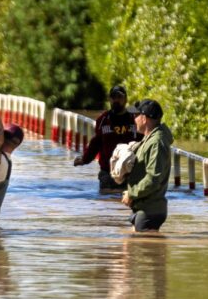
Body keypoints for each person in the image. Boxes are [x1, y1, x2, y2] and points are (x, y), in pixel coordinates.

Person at [74, 85, 141, 191]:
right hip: (107, 173)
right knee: (106, 202)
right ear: (109, 99)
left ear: (125, 99)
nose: (116, 100)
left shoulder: (134, 119)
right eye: (113, 97)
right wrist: (85, 159)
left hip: (130, 173)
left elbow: (142, 141)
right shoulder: (103, 120)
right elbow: (96, 143)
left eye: (119, 97)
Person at [121, 99, 174, 232]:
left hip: (150, 211)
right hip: (144, 208)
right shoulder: (150, 138)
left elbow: (153, 179)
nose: (134, 119)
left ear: (144, 119)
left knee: (143, 251)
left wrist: (131, 194)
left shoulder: (157, 142)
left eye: (136, 115)